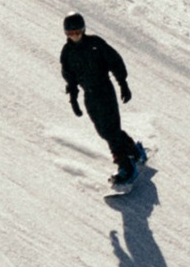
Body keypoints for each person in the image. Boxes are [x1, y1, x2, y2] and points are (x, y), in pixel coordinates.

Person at [61, 11, 144, 182]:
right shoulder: (67, 52)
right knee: (103, 131)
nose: (75, 36)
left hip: (105, 90)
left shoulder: (95, 44)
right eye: (71, 33)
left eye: (77, 32)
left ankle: (125, 167)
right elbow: (70, 77)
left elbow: (115, 61)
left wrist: (123, 83)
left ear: (83, 30)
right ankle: (133, 150)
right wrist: (74, 99)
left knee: (111, 129)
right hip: (89, 96)